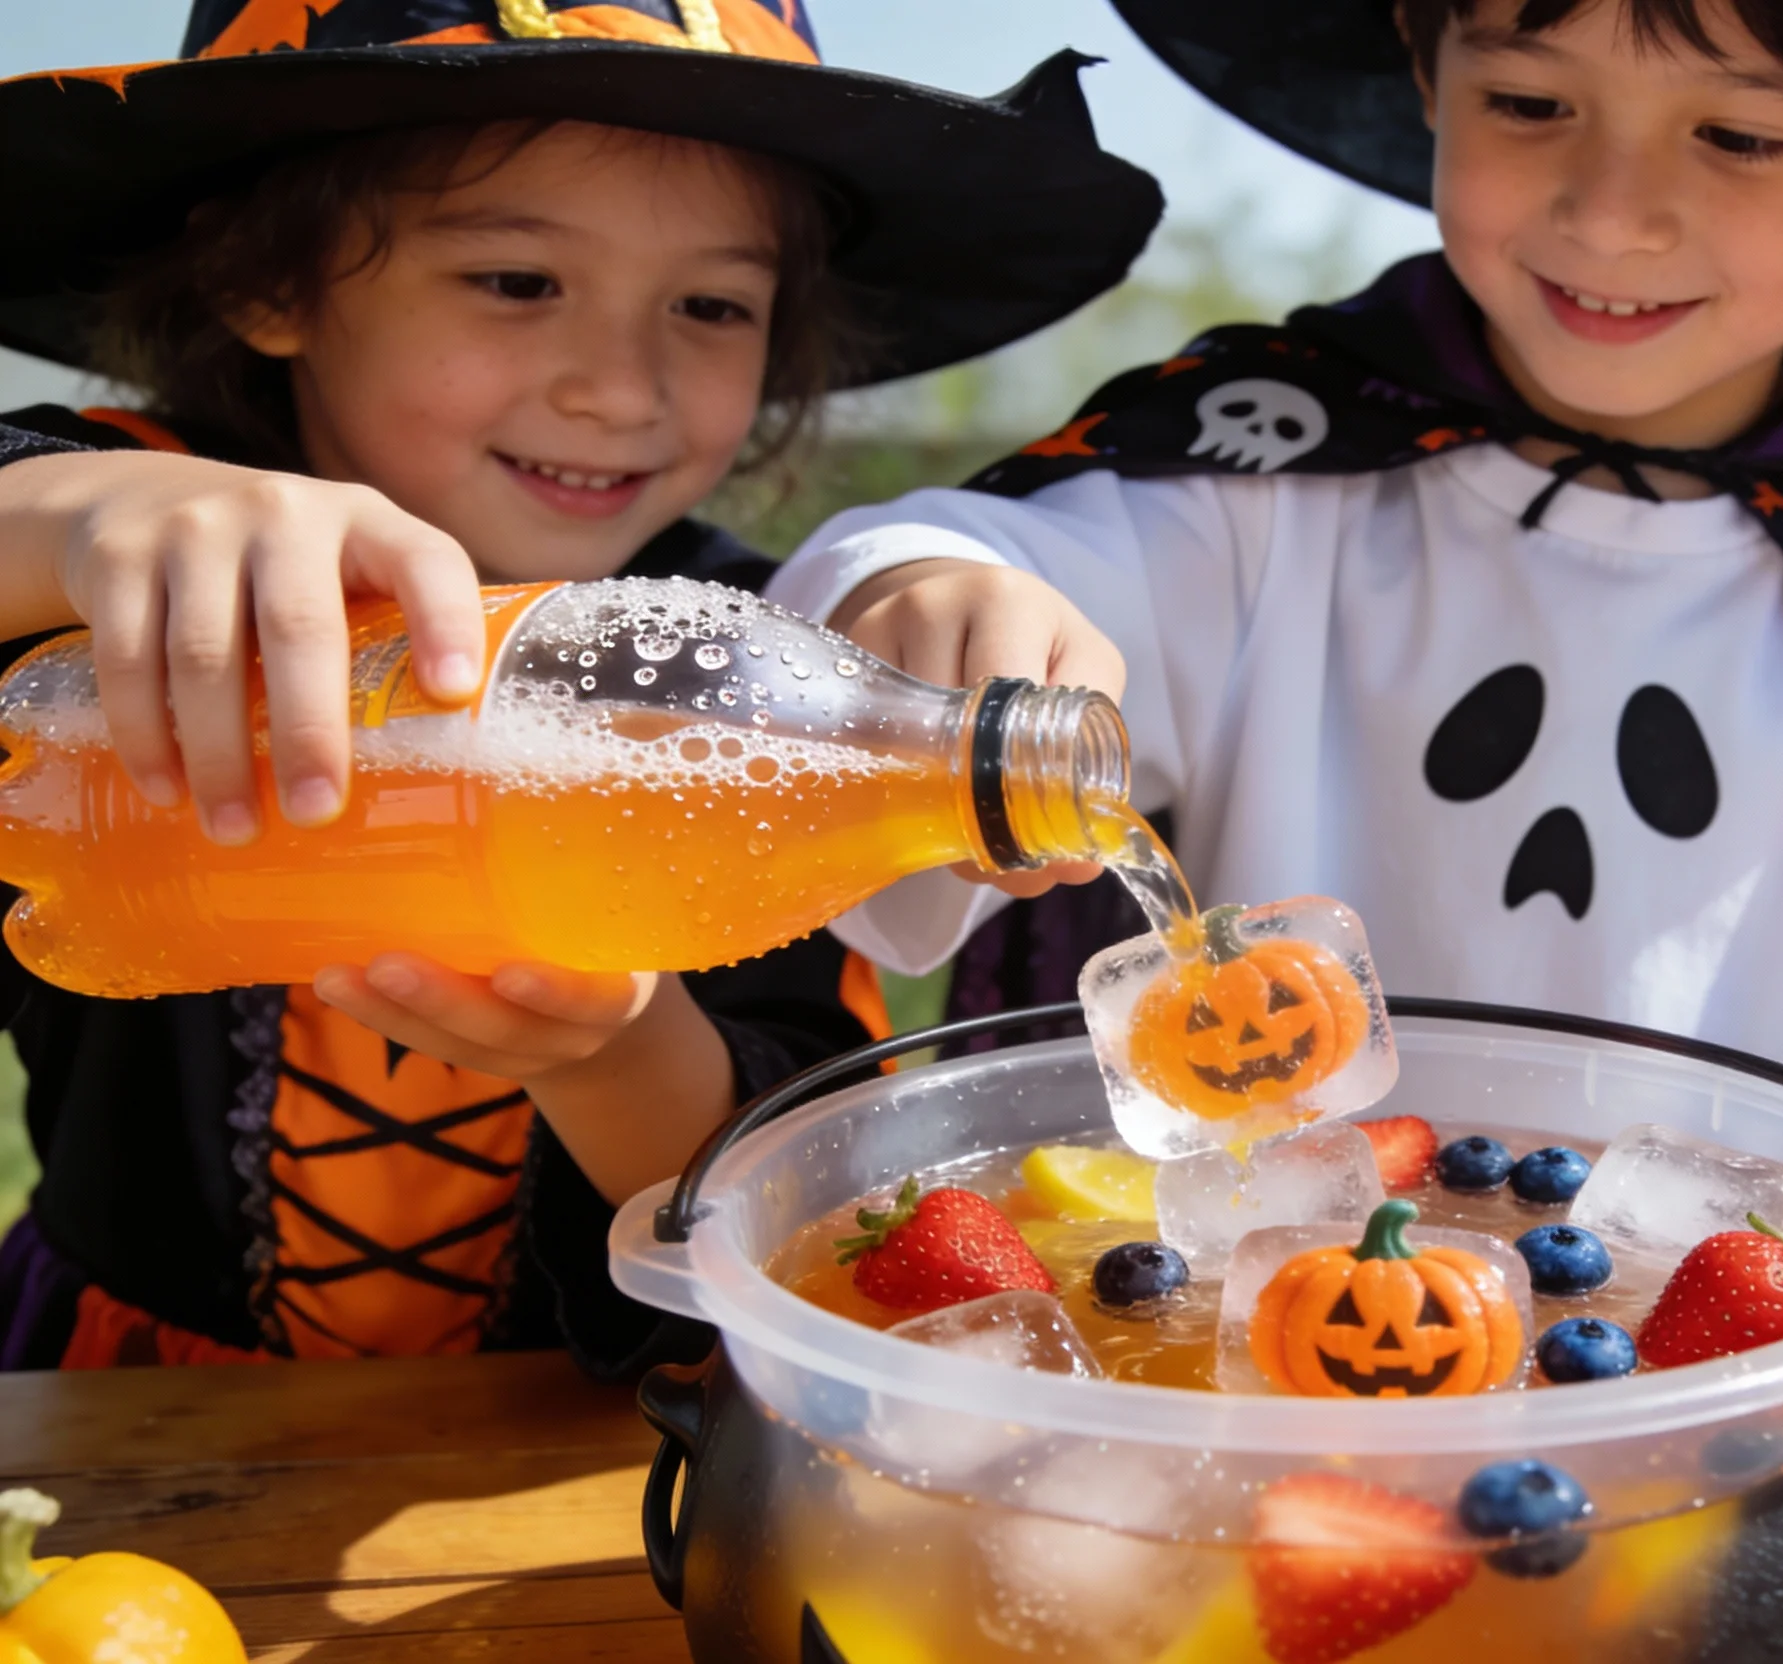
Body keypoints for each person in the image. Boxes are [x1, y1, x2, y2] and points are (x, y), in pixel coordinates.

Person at [768, 0, 1783, 1392]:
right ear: (1425, 54)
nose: (1614, 213)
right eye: (1532, 104)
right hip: (1251, 1369)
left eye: (1739, 135)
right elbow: (1005, 561)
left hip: (1713, 1385)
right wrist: (913, 595)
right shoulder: (1254, 482)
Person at [0, 0, 1160, 1372]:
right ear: (270, 280)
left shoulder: (742, 686)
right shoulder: (127, 556)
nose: (621, 388)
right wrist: (86, 507)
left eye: (713, 306)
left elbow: (801, 1216)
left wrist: (613, 1055)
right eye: (517, 282)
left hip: (539, 1461)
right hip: (119, 1413)